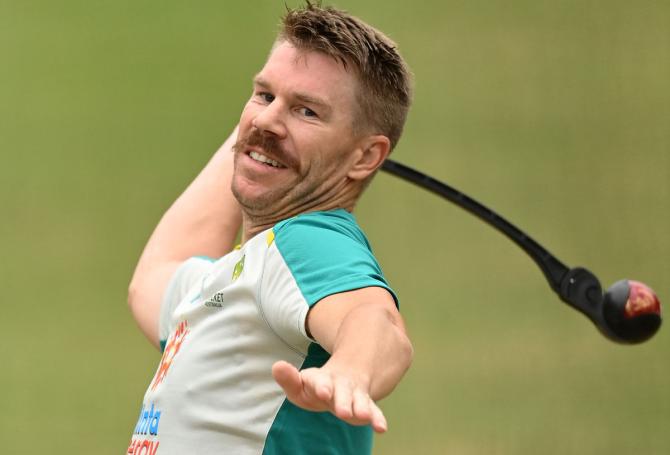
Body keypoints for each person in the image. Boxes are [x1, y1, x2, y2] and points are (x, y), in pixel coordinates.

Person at [127, 2, 413, 454]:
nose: (265, 119)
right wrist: (258, 134)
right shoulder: (246, 273)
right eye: (264, 94)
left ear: (364, 157)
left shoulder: (307, 242)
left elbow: (376, 323)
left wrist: (350, 371)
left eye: (308, 112)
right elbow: (154, 277)